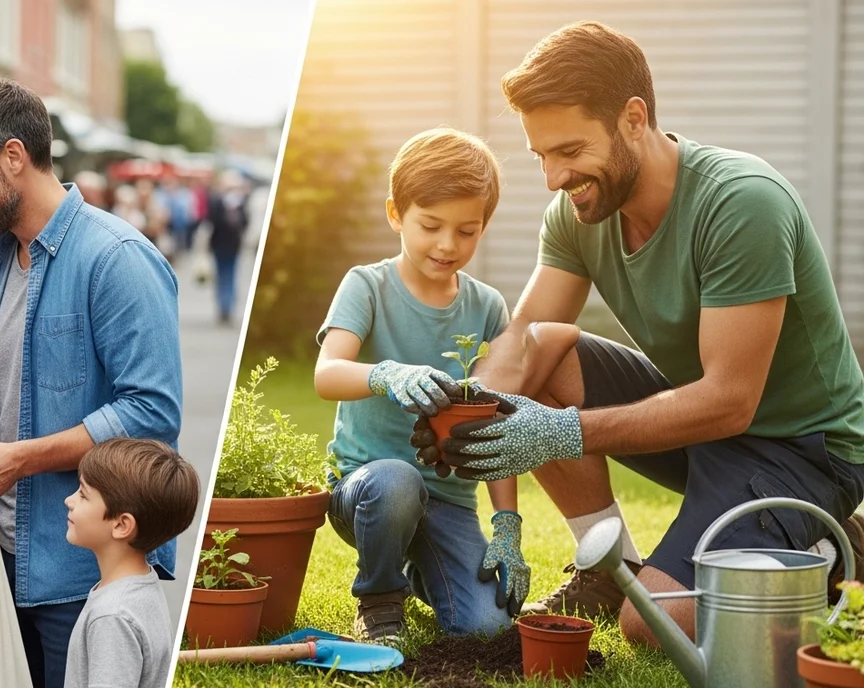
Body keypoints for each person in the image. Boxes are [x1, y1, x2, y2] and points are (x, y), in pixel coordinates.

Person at [410, 21, 864, 645]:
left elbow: (733, 401)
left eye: (569, 151)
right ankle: (607, 567)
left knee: (654, 627)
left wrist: (560, 433)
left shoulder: (741, 203)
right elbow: (523, 342)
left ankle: (835, 551)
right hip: (701, 425)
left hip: (802, 449)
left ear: (632, 118)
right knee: (546, 356)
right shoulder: (579, 213)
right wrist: (464, 415)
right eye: (541, 155)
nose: (553, 177)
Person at [0, 76, 183, 688]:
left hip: (83, 573)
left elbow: (151, 414)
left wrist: (18, 460)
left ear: (12, 156)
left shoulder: (116, 258)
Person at [313, 128, 523, 644]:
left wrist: (508, 525)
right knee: (396, 482)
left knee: (485, 630)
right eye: (430, 225)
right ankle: (381, 598)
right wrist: (387, 375)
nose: (448, 245)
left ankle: (430, 575)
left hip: (448, 500)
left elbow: (496, 423)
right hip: (368, 492)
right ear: (395, 214)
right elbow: (326, 374)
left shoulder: (488, 307)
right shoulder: (367, 285)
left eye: (467, 231)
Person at [61, 439, 199, 688]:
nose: (69, 500)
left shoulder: (112, 616)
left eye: (83, 494)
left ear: (122, 525)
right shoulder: (142, 586)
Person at [205, 171, 249, 325]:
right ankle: (223, 306)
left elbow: (244, 223)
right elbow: (212, 221)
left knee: (229, 275)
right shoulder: (217, 201)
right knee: (222, 275)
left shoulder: (240, 202)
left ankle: (227, 307)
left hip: (232, 245)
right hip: (219, 244)